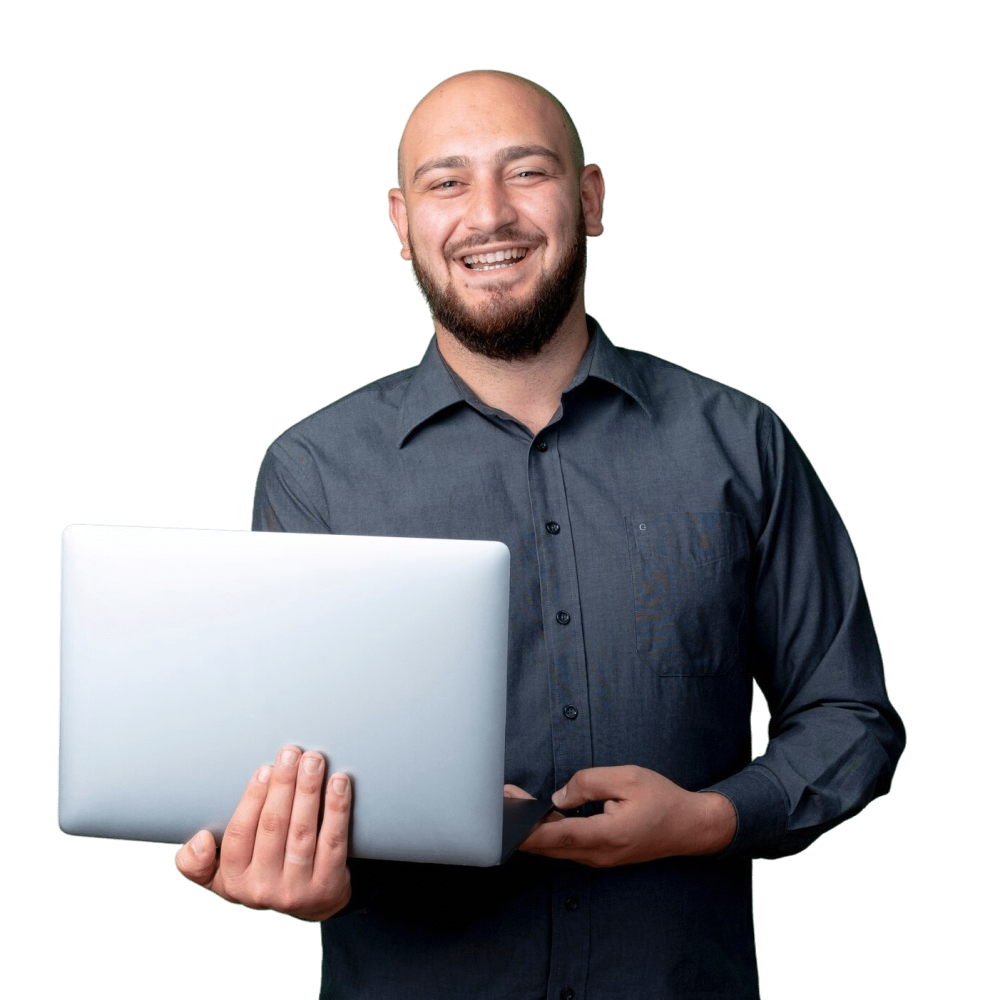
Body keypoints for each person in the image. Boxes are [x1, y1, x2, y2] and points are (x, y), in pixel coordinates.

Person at [175, 69, 904, 997]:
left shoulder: (741, 440)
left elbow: (851, 716)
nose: (489, 214)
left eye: (526, 172)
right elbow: (289, 763)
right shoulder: (314, 473)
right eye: (446, 182)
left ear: (591, 200)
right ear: (401, 225)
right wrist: (308, 877)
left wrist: (710, 818)